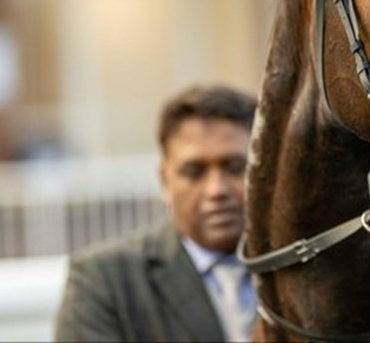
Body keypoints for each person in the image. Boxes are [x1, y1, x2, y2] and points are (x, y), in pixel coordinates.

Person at [54, 84, 258, 342]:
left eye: (235, 167)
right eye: (194, 171)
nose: (216, 190)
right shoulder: (104, 280)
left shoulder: (308, 269)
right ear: (165, 180)